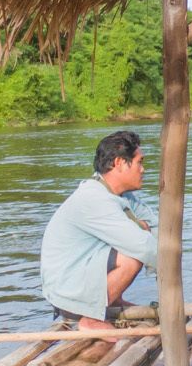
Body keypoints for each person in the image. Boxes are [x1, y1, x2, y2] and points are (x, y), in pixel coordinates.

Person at [39, 130, 158, 331]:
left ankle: (111, 301)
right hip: (66, 292)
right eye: (139, 162)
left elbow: (155, 226)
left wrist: (144, 230)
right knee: (132, 256)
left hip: (78, 278)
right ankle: (91, 319)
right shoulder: (94, 199)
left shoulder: (120, 196)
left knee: (133, 245)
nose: (143, 169)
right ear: (120, 163)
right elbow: (145, 246)